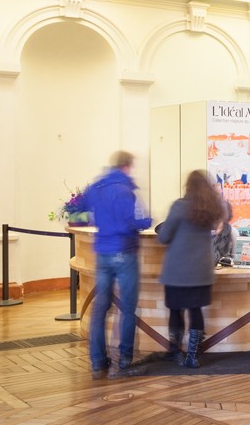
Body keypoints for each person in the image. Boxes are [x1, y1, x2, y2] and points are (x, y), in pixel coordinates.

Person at [81, 150, 153, 379]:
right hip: (124, 252)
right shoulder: (125, 190)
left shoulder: (97, 187)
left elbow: (82, 207)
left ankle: (97, 362)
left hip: (102, 253)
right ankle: (124, 361)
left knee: (100, 308)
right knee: (128, 309)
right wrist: (147, 221)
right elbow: (132, 222)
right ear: (127, 166)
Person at [157, 170, 230, 369]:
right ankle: (192, 356)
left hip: (177, 271)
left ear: (188, 186)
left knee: (175, 311)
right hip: (201, 271)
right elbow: (226, 214)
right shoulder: (214, 208)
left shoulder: (179, 207)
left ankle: (175, 352)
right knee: (195, 311)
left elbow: (163, 237)